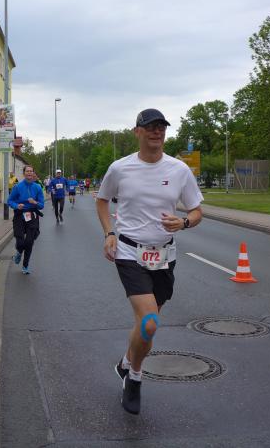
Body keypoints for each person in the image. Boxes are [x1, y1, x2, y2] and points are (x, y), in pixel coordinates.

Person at [95, 108, 203, 415]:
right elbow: (102, 200)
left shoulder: (179, 169)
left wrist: (184, 223)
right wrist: (109, 233)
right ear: (137, 132)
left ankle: (125, 362)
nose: (157, 132)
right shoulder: (120, 168)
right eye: (151, 127)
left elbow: (196, 210)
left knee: (146, 326)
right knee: (149, 322)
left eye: (161, 127)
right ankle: (135, 377)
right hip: (130, 252)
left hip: (165, 256)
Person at [8, 165, 45, 274]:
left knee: (29, 242)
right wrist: (16, 206)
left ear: (33, 173)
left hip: (32, 215)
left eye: (31, 171)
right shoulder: (18, 187)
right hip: (20, 215)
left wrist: (35, 202)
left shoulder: (37, 187)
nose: (29, 173)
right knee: (20, 242)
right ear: (24, 173)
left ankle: (25, 266)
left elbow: (41, 205)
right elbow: (10, 200)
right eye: (27, 171)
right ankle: (19, 252)